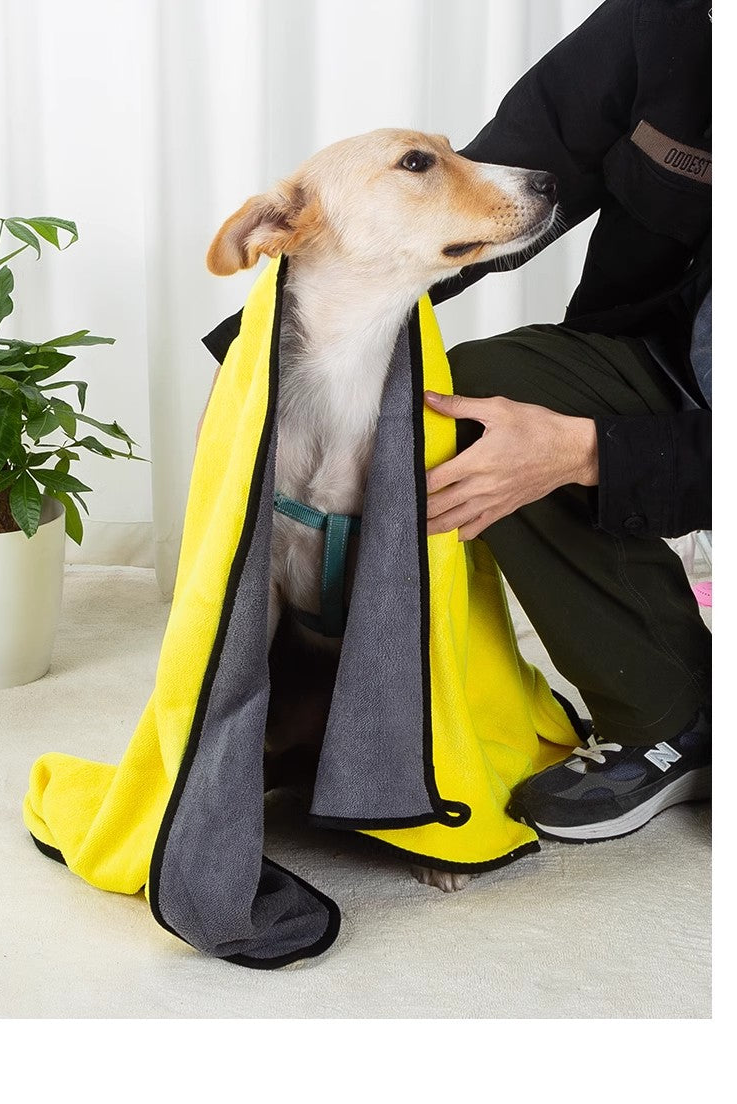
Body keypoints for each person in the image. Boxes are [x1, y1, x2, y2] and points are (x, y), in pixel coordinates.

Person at [201, 0, 712, 843]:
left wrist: (592, 452)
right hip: (663, 355)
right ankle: (674, 713)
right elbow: (505, 176)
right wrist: (246, 370)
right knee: (479, 401)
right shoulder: (668, 21)